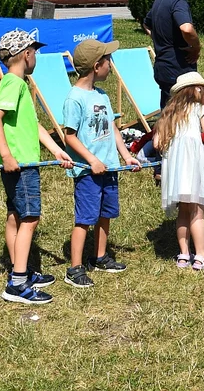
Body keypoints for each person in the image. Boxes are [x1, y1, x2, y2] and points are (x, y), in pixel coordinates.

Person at [0, 30, 74, 305]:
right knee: (30, 218)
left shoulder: (19, 84)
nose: (35, 56)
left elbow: (33, 125)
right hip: (21, 165)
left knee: (16, 216)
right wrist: (7, 154)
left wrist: (58, 150)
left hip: (23, 163)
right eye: (34, 51)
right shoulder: (14, 83)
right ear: (26, 54)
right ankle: (17, 284)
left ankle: (20, 273)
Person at [61, 39, 140, 289]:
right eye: (108, 61)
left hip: (109, 167)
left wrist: (126, 155)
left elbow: (113, 128)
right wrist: (92, 160)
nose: (110, 65)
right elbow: (69, 136)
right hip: (88, 171)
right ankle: (75, 268)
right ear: (97, 66)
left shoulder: (102, 95)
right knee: (85, 218)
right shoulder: (75, 99)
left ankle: (100, 257)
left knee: (106, 214)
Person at [155, 71, 204, 270]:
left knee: (183, 211)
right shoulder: (199, 109)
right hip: (195, 164)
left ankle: (184, 255)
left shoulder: (169, 113)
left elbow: (157, 143)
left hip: (176, 169)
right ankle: (201, 255)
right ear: (198, 90)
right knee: (197, 211)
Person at [144, 0, 202, 109]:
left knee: (167, 112)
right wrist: (196, 48)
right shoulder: (178, 2)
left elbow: (146, 24)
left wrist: (159, 39)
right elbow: (187, 29)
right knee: (184, 114)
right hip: (178, 69)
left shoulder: (159, 0)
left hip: (162, 67)